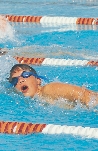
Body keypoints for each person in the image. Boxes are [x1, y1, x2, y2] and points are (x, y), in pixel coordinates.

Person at [8, 64, 98, 109]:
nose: (20, 80)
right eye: (15, 80)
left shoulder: (49, 89)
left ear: (38, 80)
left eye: (25, 75)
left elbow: (87, 97)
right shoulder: (37, 100)